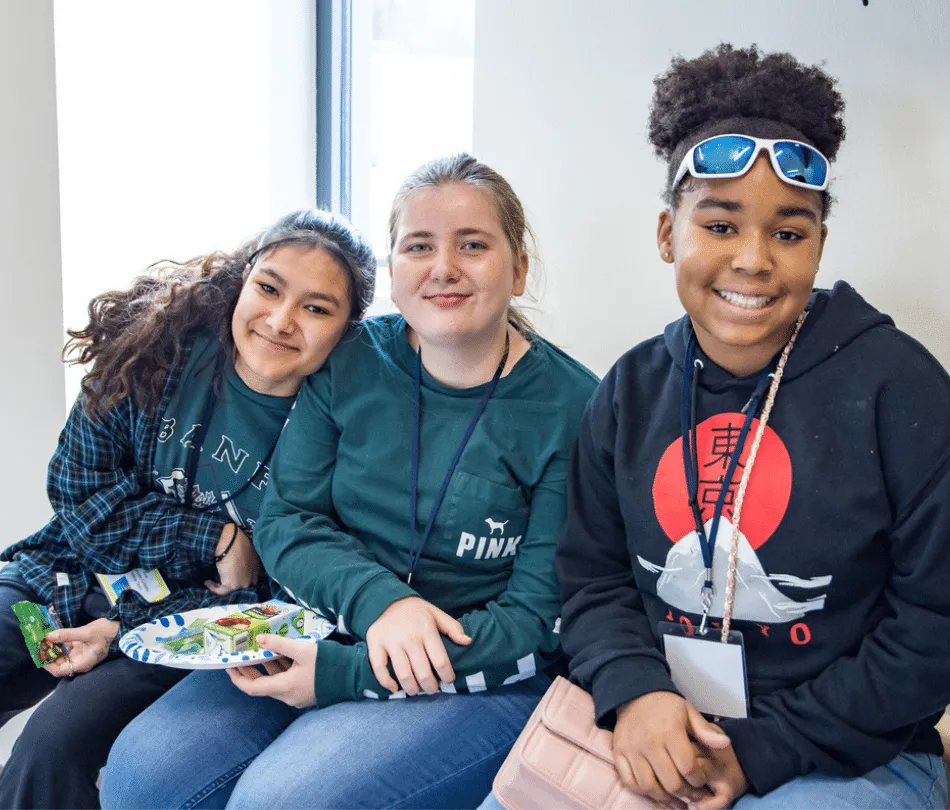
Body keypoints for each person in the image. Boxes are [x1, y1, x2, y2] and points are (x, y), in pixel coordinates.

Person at [99, 153, 599, 810]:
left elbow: (535, 624)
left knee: (280, 802)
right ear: (394, 273)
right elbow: (287, 520)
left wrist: (347, 675)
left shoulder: (575, 408)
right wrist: (381, 606)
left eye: (472, 245)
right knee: (142, 775)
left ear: (520, 268)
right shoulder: (355, 357)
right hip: (320, 626)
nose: (444, 267)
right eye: (420, 246)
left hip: (478, 669)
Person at [553, 44, 950, 810]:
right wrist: (635, 693)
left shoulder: (903, 390)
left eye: (789, 233)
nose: (755, 260)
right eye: (721, 225)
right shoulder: (628, 392)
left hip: (851, 756)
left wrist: (763, 750)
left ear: (819, 245)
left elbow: (935, 626)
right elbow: (592, 579)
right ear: (668, 235)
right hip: (659, 732)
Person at [0, 209, 376, 809]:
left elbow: (272, 597)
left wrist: (122, 631)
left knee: (52, 744)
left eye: (316, 308)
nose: (279, 321)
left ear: (347, 329)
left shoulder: (341, 429)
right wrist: (215, 538)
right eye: (269, 288)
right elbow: (79, 495)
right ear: (243, 278)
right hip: (61, 581)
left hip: (185, 629)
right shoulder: (153, 350)